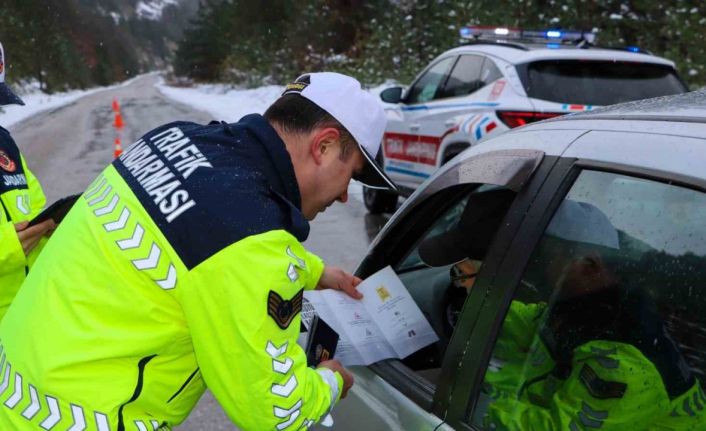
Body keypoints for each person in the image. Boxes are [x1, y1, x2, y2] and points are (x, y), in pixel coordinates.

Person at [0, 72, 397, 430]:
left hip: (16, 391)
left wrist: (313, 271)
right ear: (325, 146)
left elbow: (198, 240)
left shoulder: (175, 139)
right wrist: (330, 380)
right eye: (354, 174)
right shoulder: (249, 238)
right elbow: (275, 409)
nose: (347, 195)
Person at [419, 191, 706, 430]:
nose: (532, 268)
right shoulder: (589, 306)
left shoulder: (624, 360)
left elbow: (555, 428)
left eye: (544, 258)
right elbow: (531, 324)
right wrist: (473, 301)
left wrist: (472, 405)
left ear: (588, 265)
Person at [0, 41, 54, 320]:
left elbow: (34, 206)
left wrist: (49, 227)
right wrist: (8, 247)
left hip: (22, 321)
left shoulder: (4, 142)